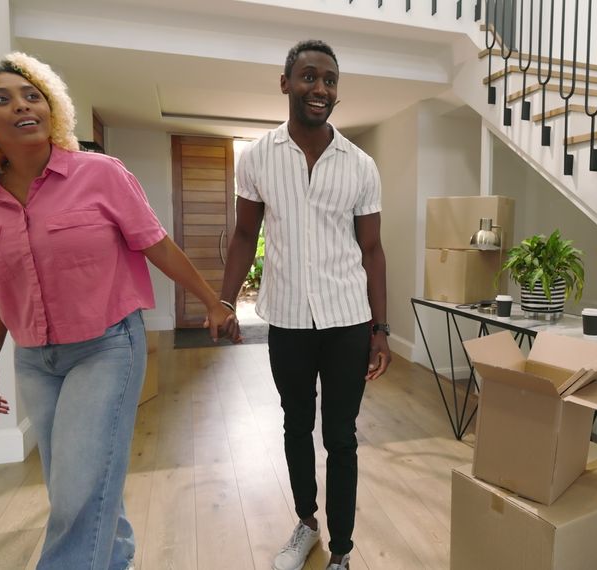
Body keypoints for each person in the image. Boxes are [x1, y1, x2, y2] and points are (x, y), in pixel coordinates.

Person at [0, 52, 237, 570]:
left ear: (52, 108)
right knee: (77, 485)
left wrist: (211, 302)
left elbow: (156, 244)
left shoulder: (101, 174)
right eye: (1, 100)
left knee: (79, 489)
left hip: (107, 347)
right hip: (34, 360)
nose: (23, 106)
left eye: (33, 96)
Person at [220, 39, 391, 570]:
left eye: (330, 81)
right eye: (309, 77)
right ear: (286, 82)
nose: (320, 89)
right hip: (289, 320)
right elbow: (245, 233)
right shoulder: (257, 157)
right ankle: (306, 523)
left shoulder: (361, 165)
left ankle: (341, 551)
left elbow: (371, 249)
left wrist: (380, 329)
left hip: (347, 322)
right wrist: (226, 302)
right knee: (296, 424)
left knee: (341, 437)